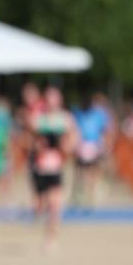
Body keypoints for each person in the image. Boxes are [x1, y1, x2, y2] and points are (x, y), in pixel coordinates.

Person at [29, 85, 78, 252]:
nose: (51, 103)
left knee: (54, 205)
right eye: (48, 99)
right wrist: (37, 144)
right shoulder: (37, 119)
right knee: (40, 205)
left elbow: (73, 141)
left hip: (57, 167)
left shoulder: (66, 119)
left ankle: (51, 238)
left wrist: (65, 147)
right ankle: (43, 222)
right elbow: (27, 141)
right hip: (39, 167)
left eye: (54, 99)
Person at [72, 92, 112, 210]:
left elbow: (105, 130)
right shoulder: (79, 114)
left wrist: (104, 146)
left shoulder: (99, 115)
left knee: (92, 172)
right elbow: (75, 130)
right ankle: (80, 195)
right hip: (82, 146)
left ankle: (90, 196)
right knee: (80, 172)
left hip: (94, 146)